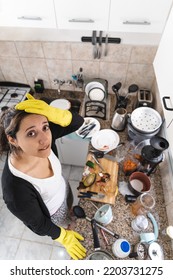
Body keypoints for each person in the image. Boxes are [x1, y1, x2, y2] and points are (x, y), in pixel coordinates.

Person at [0, 93, 86, 260]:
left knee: (71, 209)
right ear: (13, 140)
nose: (44, 139)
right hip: (53, 212)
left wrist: (54, 112)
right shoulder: (14, 189)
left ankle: (70, 216)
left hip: (63, 190)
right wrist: (63, 236)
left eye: (45, 127)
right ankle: (69, 225)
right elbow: (38, 224)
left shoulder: (43, 138)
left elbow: (78, 122)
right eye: (31, 133)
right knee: (67, 223)